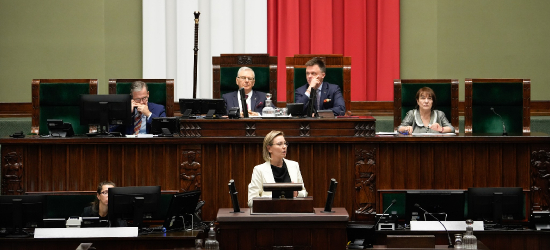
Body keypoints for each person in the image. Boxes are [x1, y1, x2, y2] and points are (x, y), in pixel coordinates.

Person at [247, 130, 307, 207]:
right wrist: (275, 198)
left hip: (292, 213)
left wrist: (297, 193)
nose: (284, 146)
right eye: (279, 144)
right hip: (270, 215)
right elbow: (251, 201)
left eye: (285, 143)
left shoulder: (294, 165)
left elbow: (305, 193)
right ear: (269, 148)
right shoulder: (259, 170)